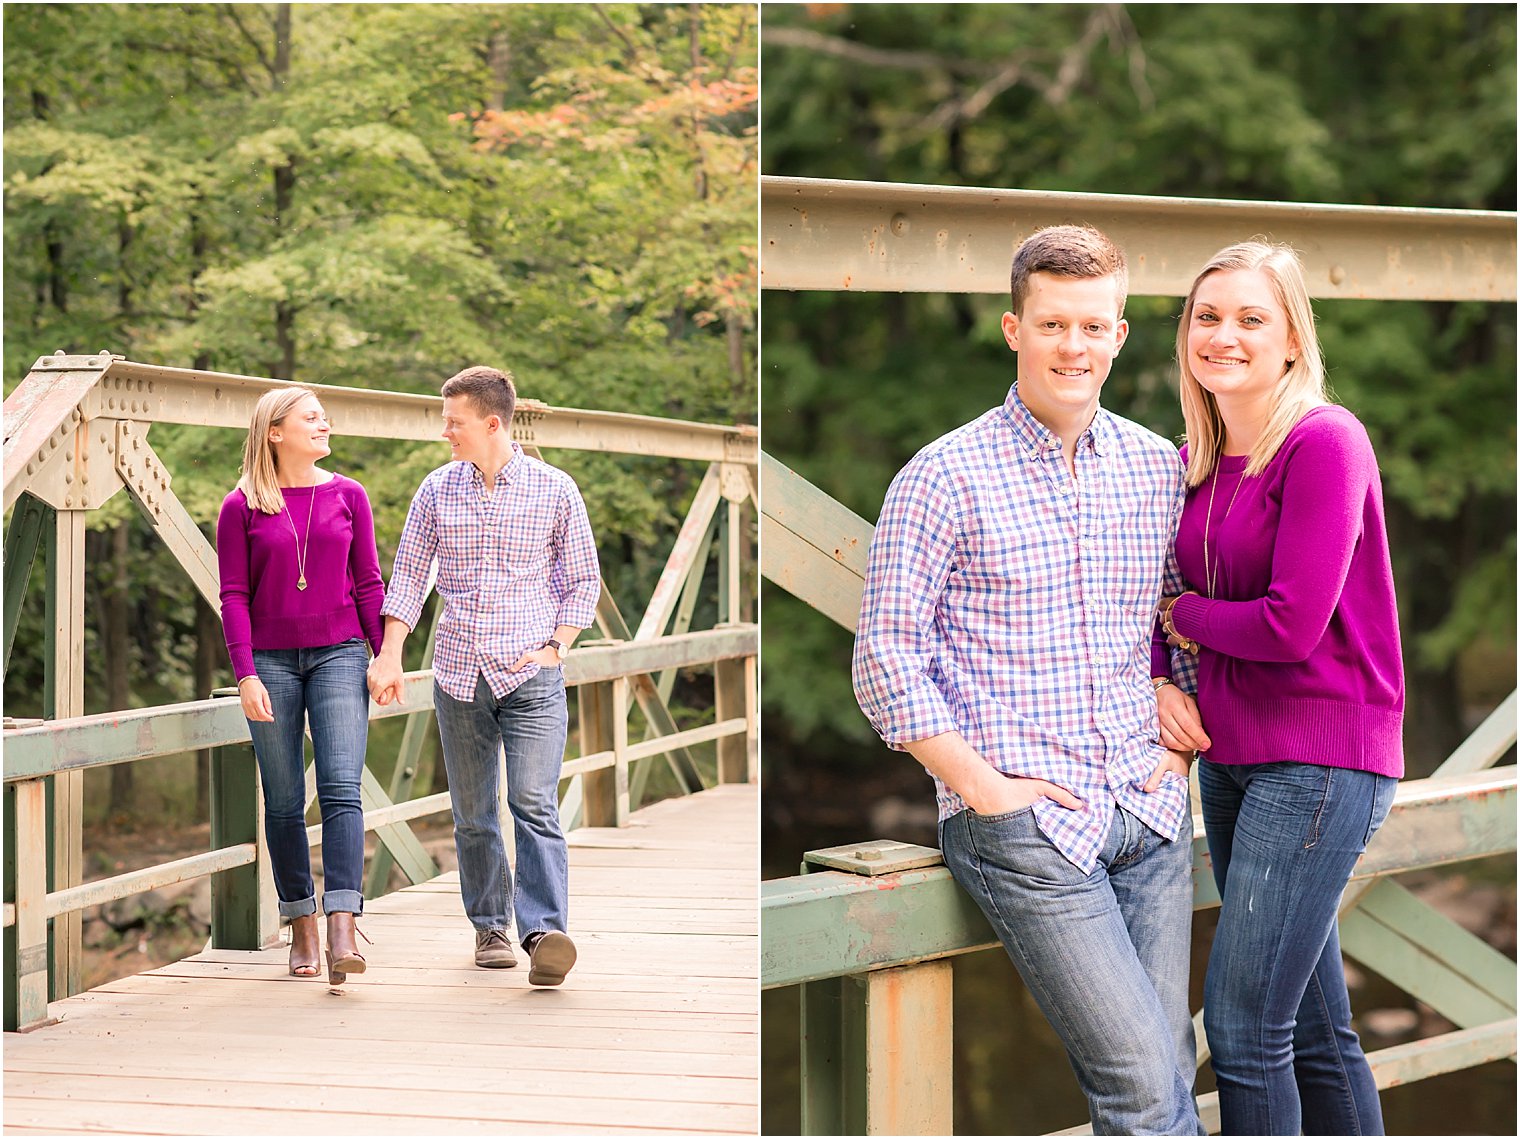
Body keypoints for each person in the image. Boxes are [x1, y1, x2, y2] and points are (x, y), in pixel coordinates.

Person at [853, 225, 1204, 1136]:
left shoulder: (1157, 468)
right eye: (1054, 325)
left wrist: (1182, 734)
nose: (1074, 347)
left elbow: (1183, 613)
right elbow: (885, 658)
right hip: (1029, 823)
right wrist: (986, 792)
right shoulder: (943, 475)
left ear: (1121, 334)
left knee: (1168, 1073)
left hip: (1151, 806)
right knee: (1139, 1088)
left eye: (1094, 327)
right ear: (1015, 329)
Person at [1153, 241, 1403, 1136]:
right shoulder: (1191, 462)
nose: (1224, 334)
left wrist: (1185, 622)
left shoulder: (1325, 442)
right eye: (1207, 316)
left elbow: (1290, 622)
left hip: (1321, 758)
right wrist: (1156, 671)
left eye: (1251, 318)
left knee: (1243, 1027)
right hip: (1229, 757)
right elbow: (1149, 593)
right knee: (1310, 1025)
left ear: (1293, 338)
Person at [367, 365, 600, 987]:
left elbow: (583, 580)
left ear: (492, 423)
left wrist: (557, 646)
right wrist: (389, 656)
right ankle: (491, 926)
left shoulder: (556, 490)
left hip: (531, 673)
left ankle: (545, 931)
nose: (445, 433)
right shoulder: (437, 490)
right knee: (473, 813)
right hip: (459, 672)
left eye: (454, 422)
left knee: (532, 801)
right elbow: (411, 577)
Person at [216, 386, 385, 985]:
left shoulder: (350, 495)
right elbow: (233, 594)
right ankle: (302, 925)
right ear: (275, 432)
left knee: (341, 787)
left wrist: (383, 656)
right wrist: (245, 674)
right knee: (284, 798)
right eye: (311, 418)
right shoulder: (241, 506)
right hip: (270, 661)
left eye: (324, 417)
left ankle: (343, 924)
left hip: (340, 653)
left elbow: (368, 582)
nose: (324, 424)